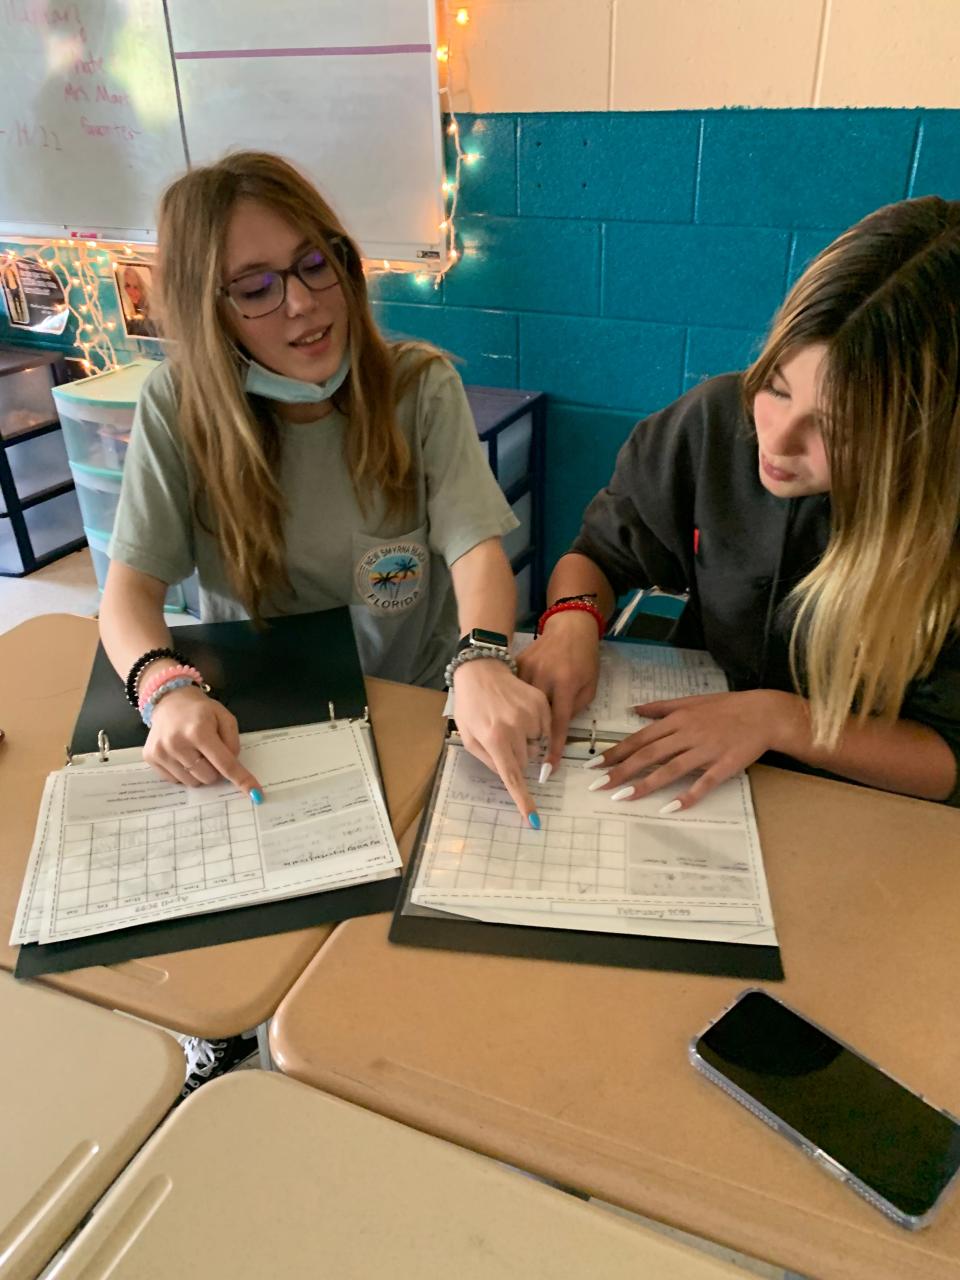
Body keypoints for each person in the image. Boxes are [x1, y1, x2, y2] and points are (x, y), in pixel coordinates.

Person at [99, 151, 548, 826]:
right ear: (207, 310)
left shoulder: (419, 387)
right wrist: (165, 690)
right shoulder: (177, 405)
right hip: (261, 716)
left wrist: (481, 658)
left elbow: (475, 549)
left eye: (316, 263)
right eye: (255, 290)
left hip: (410, 694)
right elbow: (128, 593)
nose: (304, 303)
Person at [520, 195, 960, 812]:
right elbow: (597, 555)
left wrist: (779, 720)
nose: (776, 441)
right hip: (703, 768)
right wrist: (570, 619)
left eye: (836, 429)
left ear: (923, 441)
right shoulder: (713, 421)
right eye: (776, 389)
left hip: (868, 808)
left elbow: (950, 760)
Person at [120, 265, 159, 338]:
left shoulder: (153, 315)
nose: (131, 292)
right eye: (127, 285)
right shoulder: (121, 310)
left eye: (136, 287)